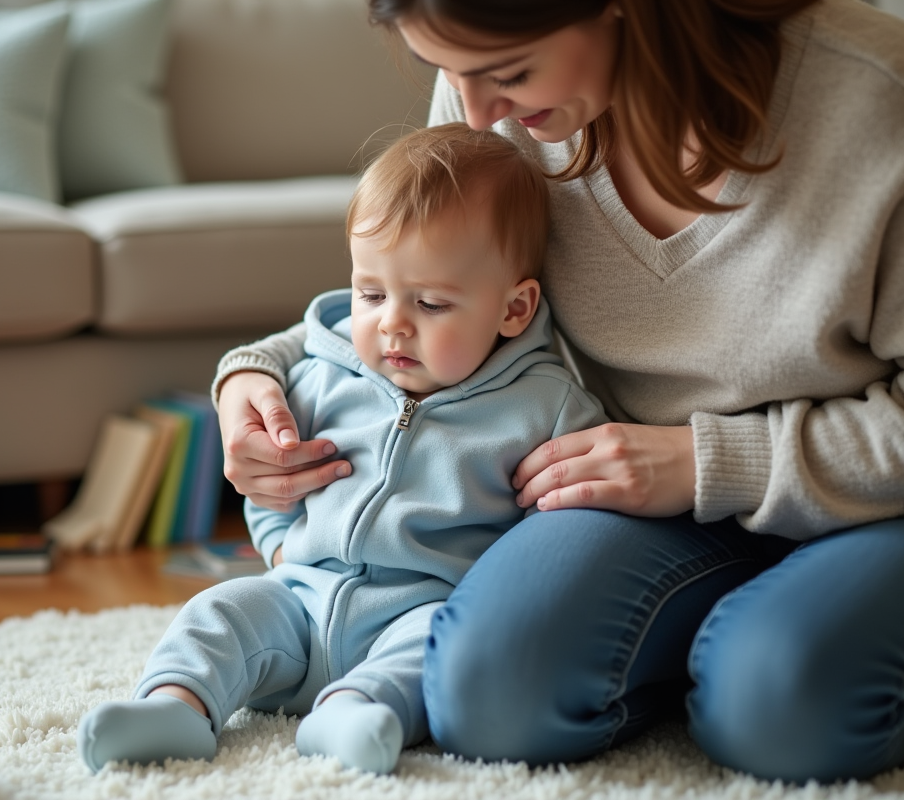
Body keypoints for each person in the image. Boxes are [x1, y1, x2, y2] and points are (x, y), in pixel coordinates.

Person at [212, 0, 904, 785]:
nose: (476, 113)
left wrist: (707, 462)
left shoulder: (877, 95)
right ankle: (729, 643)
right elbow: (409, 300)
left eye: (508, 72)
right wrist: (252, 372)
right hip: (646, 502)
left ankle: (761, 655)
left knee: (781, 710)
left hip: (874, 506)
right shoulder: (499, 113)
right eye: (450, 71)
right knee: (486, 697)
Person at [77, 123, 607, 775]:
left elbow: (562, 539)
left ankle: (353, 712)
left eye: (432, 302)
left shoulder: (547, 408)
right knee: (220, 610)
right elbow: (277, 478)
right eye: (371, 293)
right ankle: (174, 706)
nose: (392, 323)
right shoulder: (321, 377)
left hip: (424, 608)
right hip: (298, 601)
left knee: (431, 646)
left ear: (514, 309)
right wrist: (275, 545)